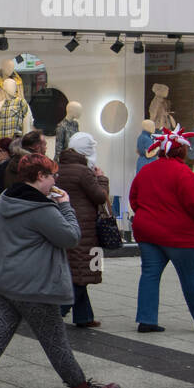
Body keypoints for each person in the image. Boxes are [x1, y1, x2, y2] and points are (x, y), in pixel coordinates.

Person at [0, 153, 120, 388]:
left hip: (1, 281)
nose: (55, 180)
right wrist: (66, 206)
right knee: (55, 342)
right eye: (52, 175)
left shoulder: (7, 197)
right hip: (33, 286)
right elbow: (71, 237)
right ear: (40, 176)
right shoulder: (41, 209)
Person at [129, 127, 194, 333]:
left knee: (149, 275)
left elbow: (134, 199)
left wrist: (146, 216)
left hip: (148, 232)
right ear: (181, 151)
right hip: (180, 236)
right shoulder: (185, 174)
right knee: (190, 279)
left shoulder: (146, 171)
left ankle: (146, 320)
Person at [55, 132, 109, 328]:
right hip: (84, 225)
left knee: (77, 268)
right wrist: (102, 179)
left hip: (65, 220)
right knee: (80, 273)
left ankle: (84, 316)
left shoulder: (59, 168)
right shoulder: (83, 171)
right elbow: (100, 197)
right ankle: (59, 310)